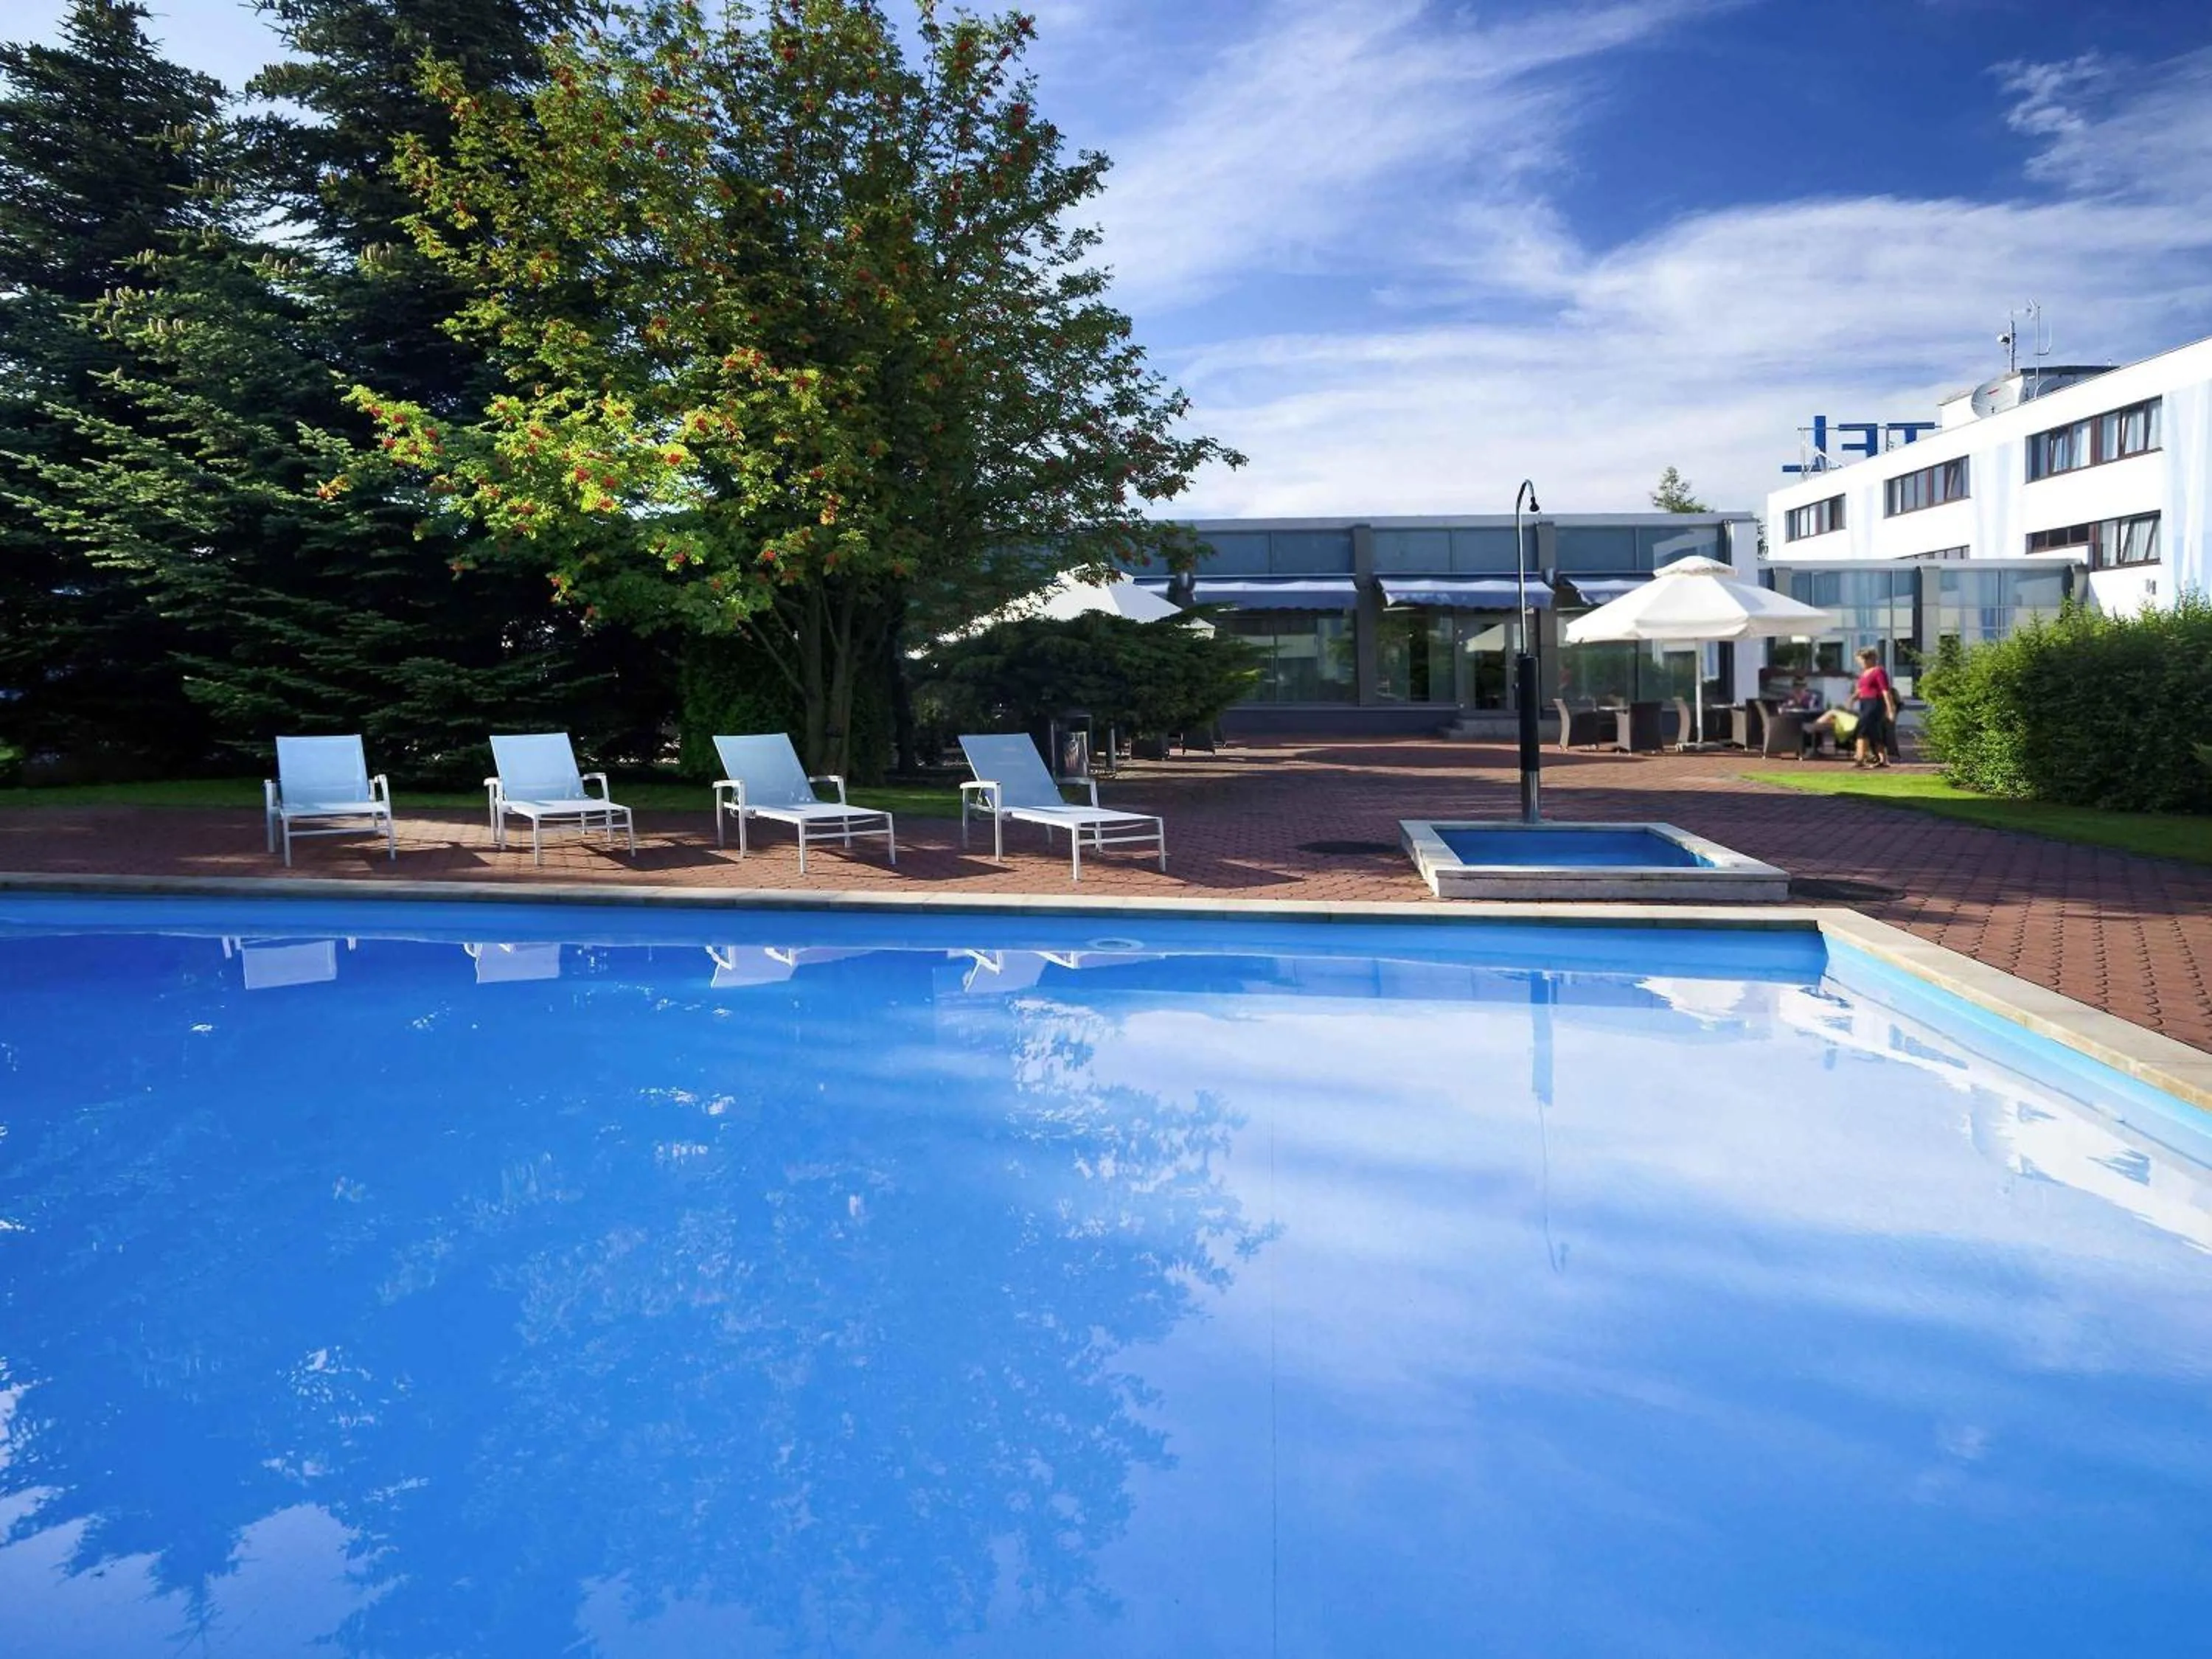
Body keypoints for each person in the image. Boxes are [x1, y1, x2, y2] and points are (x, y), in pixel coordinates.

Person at [1850, 647, 1893, 768]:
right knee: (1873, 732)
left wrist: (1890, 709)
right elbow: (1860, 690)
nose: (1860, 663)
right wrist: (1852, 699)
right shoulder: (1864, 674)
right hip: (1865, 703)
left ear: (1869, 659)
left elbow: (1885, 691)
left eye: (1861, 660)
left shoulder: (1879, 671)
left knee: (1862, 728)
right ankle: (1883, 760)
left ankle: (1860, 758)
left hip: (1875, 703)